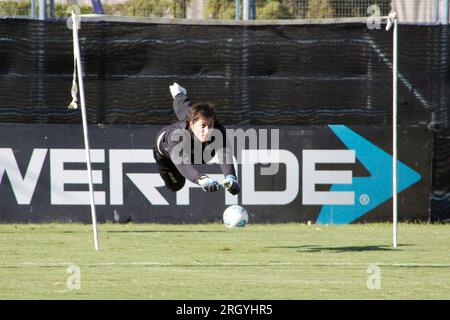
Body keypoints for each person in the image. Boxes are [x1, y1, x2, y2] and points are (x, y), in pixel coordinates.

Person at [153, 82, 240, 195]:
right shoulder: (175, 136)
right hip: (167, 155)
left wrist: (231, 177)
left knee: (189, 112)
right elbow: (183, 163)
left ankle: (179, 94)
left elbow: (224, 155)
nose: (208, 130)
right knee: (176, 186)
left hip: (196, 150)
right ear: (192, 124)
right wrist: (200, 178)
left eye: (210, 125)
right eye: (203, 126)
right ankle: (179, 95)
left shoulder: (217, 129)